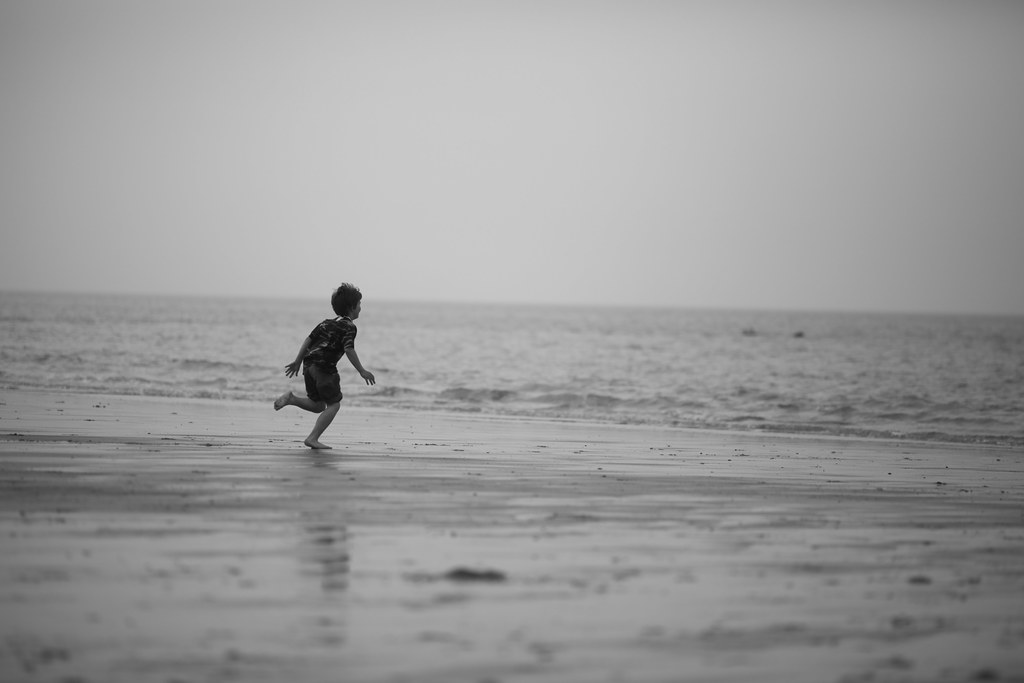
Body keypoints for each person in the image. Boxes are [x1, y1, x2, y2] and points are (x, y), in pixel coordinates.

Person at [274, 283, 375, 449]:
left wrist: (298, 360)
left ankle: (291, 399)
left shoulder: (326, 323)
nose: (361, 308)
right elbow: (349, 349)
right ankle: (313, 438)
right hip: (325, 368)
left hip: (309, 365)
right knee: (334, 404)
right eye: (359, 305)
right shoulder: (349, 327)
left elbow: (309, 339)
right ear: (352, 307)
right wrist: (362, 371)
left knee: (318, 405)